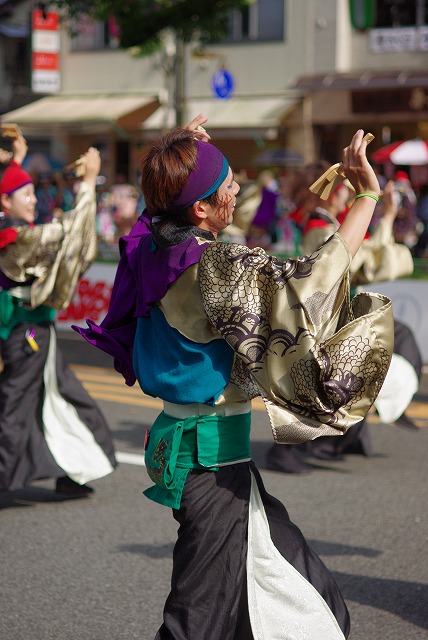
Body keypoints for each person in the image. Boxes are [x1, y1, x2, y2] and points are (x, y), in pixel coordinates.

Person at [74, 115, 391, 639]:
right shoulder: (214, 265)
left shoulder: (154, 249)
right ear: (199, 208)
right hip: (210, 466)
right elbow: (307, 283)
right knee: (197, 622)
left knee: (303, 595)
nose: (238, 187)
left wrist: (183, 152)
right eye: (226, 185)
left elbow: (151, 217)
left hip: (210, 460)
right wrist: (366, 199)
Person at [0, 133, 116, 497]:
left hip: (35, 333)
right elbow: (70, 235)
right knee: (17, 403)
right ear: (5, 201)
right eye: (27, 194)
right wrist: (85, 185)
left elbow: (65, 235)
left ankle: (74, 470)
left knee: (61, 398)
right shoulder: (16, 236)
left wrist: (15, 160)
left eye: (34, 192)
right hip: (28, 336)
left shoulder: (15, 229)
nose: (35, 199)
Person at [294, 178, 420, 461]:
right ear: (331, 196)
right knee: (363, 365)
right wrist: (385, 216)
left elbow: (367, 256)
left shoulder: (327, 225)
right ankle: (392, 404)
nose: (347, 198)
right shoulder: (320, 229)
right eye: (345, 192)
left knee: (382, 352)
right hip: (328, 319)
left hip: (338, 313)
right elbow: (366, 262)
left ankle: (385, 410)